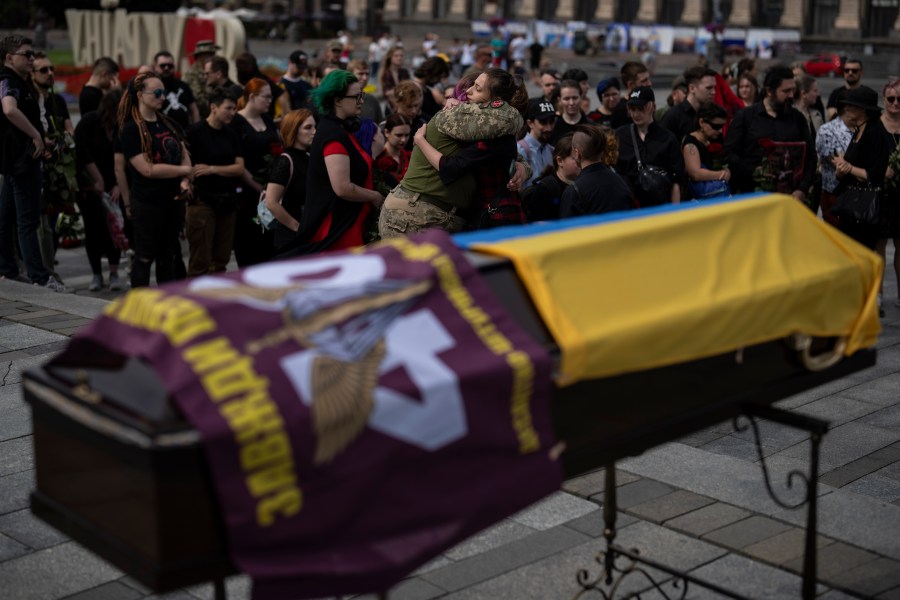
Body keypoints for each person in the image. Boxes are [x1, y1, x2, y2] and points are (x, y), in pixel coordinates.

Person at [379, 71, 525, 238]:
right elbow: (450, 167)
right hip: (418, 213)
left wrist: (523, 167)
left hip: (430, 214)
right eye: (467, 88)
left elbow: (504, 147)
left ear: (494, 102)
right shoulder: (456, 117)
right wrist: (420, 140)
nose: (468, 92)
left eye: (477, 89)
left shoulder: (486, 127)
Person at [282, 70, 384, 256]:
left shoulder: (342, 129)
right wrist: (375, 196)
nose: (361, 101)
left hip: (348, 225)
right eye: (356, 96)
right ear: (337, 100)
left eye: (362, 95)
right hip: (336, 230)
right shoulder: (332, 135)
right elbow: (342, 187)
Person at [0, 34, 67, 291]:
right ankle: (40, 277)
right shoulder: (9, 81)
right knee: (28, 222)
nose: (31, 58)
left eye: (32, 54)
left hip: (17, 161)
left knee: (6, 217)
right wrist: (36, 135)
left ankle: (8, 269)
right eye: (26, 55)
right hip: (23, 162)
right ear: (9, 58)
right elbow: (8, 108)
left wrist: (42, 139)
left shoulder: (16, 81)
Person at [118, 72, 193, 289]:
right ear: (140, 95)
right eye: (158, 93)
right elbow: (146, 169)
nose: (163, 97)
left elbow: (182, 150)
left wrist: (186, 180)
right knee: (144, 257)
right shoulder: (131, 129)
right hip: (148, 202)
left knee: (167, 256)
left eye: (164, 93)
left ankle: (166, 305)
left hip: (173, 200)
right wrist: (184, 170)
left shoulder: (168, 123)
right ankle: (139, 307)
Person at [724, 65, 816, 200]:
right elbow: (730, 152)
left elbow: (810, 157)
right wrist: (754, 171)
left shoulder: (797, 118)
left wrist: (803, 189)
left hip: (788, 198)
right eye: (786, 91)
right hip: (750, 195)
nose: (791, 95)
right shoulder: (745, 117)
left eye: (793, 90)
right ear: (769, 91)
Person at [185, 87, 244, 277]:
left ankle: (215, 300)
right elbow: (186, 165)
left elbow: (239, 168)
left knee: (221, 259)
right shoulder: (195, 132)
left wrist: (212, 169)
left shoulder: (231, 134)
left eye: (235, 109)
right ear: (213, 107)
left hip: (227, 201)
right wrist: (187, 181)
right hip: (202, 201)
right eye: (228, 108)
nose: (232, 113)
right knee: (200, 259)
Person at [75, 88, 123, 291]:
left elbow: (125, 157)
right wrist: (97, 180)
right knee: (93, 229)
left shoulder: (122, 127)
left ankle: (113, 272)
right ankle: (96, 273)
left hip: (114, 184)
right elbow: (82, 152)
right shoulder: (89, 122)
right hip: (89, 185)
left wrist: (119, 185)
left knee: (114, 228)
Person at [832, 87, 891, 253]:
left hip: (864, 209)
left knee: (861, 254)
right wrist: (841, 170)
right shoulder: (859, 129)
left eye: (852, 105)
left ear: (862, 109)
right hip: (851, 205)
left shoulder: (875, 133)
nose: (847, 108)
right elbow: (851, 166)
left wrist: (848, 167)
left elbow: (873, 175)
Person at [230, 78, 281, 266]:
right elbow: (239, 163)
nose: (270, 101)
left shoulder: (266, 118)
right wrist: (260, 188)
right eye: (266, 97)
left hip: (271, 189)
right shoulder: (236, 122)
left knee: (269, 245)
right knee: (249, 244)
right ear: (252, 97)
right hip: (249, 192)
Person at [33, 51, 73, 283]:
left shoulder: (57, 101)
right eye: (43, 70)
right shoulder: (28, 100)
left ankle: (48, 266)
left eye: (51, 70)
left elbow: (69, 130)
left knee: (54, 224)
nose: (50, 74)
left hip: (57, 171)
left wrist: (59, 146)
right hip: (35, 169)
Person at [615, 87, 684, 206]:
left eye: (641, 108)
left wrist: (674, 212)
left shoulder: (667, 138)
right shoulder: (620, 136)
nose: (636, 114)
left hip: (660, 206)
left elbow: (676, 180)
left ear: (653, 106)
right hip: (628, 207)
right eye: (632, 109)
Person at [264, 108, 315, 251]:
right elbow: (271, 202)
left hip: (310, 233)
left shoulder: (309, 157)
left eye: (314, 126)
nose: (314, 131)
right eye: (308, 127)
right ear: (293, 130)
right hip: (292, 239)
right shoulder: (285, 161)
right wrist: (296, 227)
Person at [560, 125, 633, 217]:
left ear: (577, 153)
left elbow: (567, 229)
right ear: (602, 151)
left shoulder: (574, 191)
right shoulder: (621, 181)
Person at [521, 133, 580, 222]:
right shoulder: (545, 189)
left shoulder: (583, 184)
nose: (581, 162)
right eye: (575, 159)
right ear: (560, 161)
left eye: (583, 158)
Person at [878, 79, 900, 310]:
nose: (895, 103)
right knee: (879, 246)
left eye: (899, 99)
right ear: (884, 99)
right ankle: (879, 295)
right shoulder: (876, 125)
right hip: (882, 193)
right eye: (891, 99)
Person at [682, 102, 731, 200]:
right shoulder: (690, 143)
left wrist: (726, 170)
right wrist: (721, 174)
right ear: (701, 122)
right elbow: (696, 174)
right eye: (716, 126)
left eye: (722, 126)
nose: (720, 131)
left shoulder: (713, 139)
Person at [815, 104, 854, 226]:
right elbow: (837, 162)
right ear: (848, 109)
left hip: (860, 194)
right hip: (835, 194)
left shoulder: (865, 127)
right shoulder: (828, 130)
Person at [660, 66, 718, 142]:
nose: (714, 92)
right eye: (708, 88)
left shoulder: (712, 114)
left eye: (714, 88)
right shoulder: (673, 116)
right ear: (692, 88)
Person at [235, 52, 290, 120]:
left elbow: (281, 94)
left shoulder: (262, 80)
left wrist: (285, 117)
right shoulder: (244, 80)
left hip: (265, 118)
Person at [153, 51, 199, 130]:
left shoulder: (183, 86)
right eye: (162, 66)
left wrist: (197, 129)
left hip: (186, 133)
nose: (166, 68)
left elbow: (194, 110)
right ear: (155, 67)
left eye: (170, 66)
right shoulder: (152, 88)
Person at [519, 98, 557, 188]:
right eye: (543, 122)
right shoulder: (520, 150)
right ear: (530, 123)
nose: (549, 128)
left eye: (552, 121)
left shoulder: (551, 150)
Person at [374, 113, 411, 189]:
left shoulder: (409, 156)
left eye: (407, 135)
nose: (403, 140)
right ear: (387, 132)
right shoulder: (378, 158)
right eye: (399, 135)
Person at [184, 40, 220, 119]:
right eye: (209, 55)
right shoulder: (192, 74)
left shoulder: (214, 70)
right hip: (201, 117)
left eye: (212, 54)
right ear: (200, 57)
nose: (213, 57)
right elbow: (200, 101)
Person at [610, 61, 651, 129]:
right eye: (644, 81)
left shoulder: (648, 103)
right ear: (630, 84)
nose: (649, 83)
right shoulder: (622, 110)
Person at [552, 79, 590, 144]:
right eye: (566, 99)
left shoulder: (591, 127)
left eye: (575, 98)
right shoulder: (553, 127)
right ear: (559, 100)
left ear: (581, 98)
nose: (571, 103)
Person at [392, 80, 427, 151]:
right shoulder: (387, 124)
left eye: (416, 105)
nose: (414, 110)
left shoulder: (425, 122)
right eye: (409, 106)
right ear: (397, 103)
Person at [347, 59, 384, 123]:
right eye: (360, 74)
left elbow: (379, 123)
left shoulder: (372, 100)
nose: (365, 78)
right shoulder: (342, 100)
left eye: (367, 74)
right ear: (350, 75)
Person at [378, 46, 410, 110]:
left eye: (401, 56)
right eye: (396, 56)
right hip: (391, 108)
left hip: (406, 106)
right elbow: (388, 93)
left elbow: (409, 89)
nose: (399, 58)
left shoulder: (404, 72)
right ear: (390, 57)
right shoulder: (385, 73)